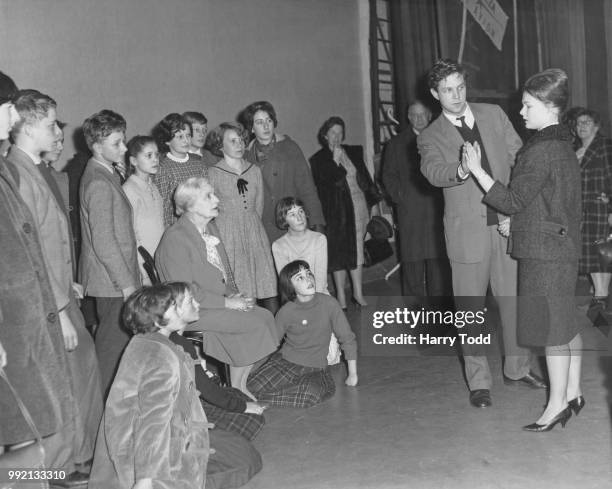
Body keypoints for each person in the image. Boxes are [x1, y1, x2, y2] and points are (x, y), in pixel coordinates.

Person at [419, 59, 545, 409]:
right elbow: (433, 171)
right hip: (467, 236)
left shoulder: (493, 114)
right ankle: (478, 382)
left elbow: (521, 158)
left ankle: (517, 369)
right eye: (447, 90)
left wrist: (515, 208)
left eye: (460, 86)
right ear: (435, 94)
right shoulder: (431, 136)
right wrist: (461, 168)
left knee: (513, 304)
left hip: (506, 226)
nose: (457, 95)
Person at [463, 68, 584, 431]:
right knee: (566, 325)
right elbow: (552, 202)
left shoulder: (540, 150)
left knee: (551, 333)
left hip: (544, 255)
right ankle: (575, 392)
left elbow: (514, 199)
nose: (522, 112)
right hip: (560, 246)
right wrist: (519, 224)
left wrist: (477, 170)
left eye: (529, 105)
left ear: (549, 107)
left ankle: (557, 405)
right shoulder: (564, 144)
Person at [7, 90, 103, 482]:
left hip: (62, 295)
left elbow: (52, 239)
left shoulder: (35, 169)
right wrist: (60, 310)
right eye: (50, 124)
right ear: (28, 127)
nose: (57, 131)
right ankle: (57, 468)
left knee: (80, 376)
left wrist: (69, 284)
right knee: (60, 383)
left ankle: (77, 458)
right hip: (47, 307)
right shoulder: (14, 173)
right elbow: (29, 253)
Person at [0, 70, 72, 472]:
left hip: (25, 324)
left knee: (27, 434)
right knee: (16, 436)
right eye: (9, 108)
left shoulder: (4, 171)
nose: (13, 119)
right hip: (9, 330)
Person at [155, 177, 279, 400]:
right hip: (189, 311)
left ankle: (238, 384)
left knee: (266, 317)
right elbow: (184, 292)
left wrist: (233, 293)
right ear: (190, 205)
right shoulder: (176, 239)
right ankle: (237, 387)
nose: (217, 199)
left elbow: (220, 275)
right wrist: (228, 303)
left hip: (211, 303)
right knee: (255, 322)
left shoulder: (210, 228)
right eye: (209, 196)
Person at [89, 283, 209, 489]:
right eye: (189, 301)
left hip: (152, 450)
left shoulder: (146, 342)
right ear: (161, 317)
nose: (196, 303)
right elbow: (154, 420)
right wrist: (145, 478)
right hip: (161, 462)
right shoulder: (160, 356)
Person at [79, 109, 140, 398]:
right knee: (110, 355)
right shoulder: (99, 183)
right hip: (113, 284)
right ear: (96, 146)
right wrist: (127, 285)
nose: (124, 148)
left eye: (123, 141)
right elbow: (104, 242)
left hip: (113, 281)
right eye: (117, 143)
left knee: (116, 352)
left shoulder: (105, 174)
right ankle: (104, 419)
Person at [247, 260, 358, 407]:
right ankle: (252, 398)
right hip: (285, 363)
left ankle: (258, 401)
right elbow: (269, 345)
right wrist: (249, 373)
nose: (308, 279)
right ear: (290, 286)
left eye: (309, 274)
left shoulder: (329, 303)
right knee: (248, 387)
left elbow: (347, 338)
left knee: (310, 394)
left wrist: (352, 374)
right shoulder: (286, 311)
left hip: (315, 369)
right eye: (300, 277)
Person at [310, 116, 381, 309]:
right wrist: (334, 162)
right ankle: (341, 295)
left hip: (358, 209)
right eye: (332, 132)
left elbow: (365, 179)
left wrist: (374, 204)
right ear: (325, 135)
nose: (336, 136)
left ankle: (357, 293)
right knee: (339, 253)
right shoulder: (318, 160)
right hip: (336, 213)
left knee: (358, 250)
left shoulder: (353, 152)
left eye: (340, 132)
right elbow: (325, 188)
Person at [382, 101, 450, 298]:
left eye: (423, 115)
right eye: (414, 115)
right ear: (409, 117)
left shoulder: (441, 139)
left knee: (437, 258)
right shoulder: (396, 143)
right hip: (409, 210)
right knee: (412, 259)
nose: (419, 119)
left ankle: (439, 306)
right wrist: (400, 197)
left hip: (437, 208)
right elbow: (388, 175)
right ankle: (415, 307)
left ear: (429, 116)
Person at [207, 122, 278, 311]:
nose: (239, 145)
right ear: (220, 146)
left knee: (264, 282)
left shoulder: (254, 170)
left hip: (254, 232)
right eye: (232, 141)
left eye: (240, 140)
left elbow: (259, 206)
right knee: (240, 287)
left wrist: (251, 225)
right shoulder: (213, 173)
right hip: (228, 235)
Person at [241, 100, 325, 242]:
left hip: (291, 223)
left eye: (269, 120)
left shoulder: (290, 148)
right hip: (262, 229)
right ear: (252, 128)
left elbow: (307, 188)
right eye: (259, 122)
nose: (266, 126)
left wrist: (317, 224)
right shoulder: (246, 157)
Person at [272, 197, 341, 365]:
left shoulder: (319, 239)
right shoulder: (279, 245)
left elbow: (320, 277)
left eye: (301, 211)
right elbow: (286, 282)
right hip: (295, 301)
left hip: (319, 297)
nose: (299, 217)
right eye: (292, 214)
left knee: (330, 358)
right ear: (284, 220)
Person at [573, 108, 612, 306]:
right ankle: (601, 304)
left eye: (586, 122)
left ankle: (600, 304)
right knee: (592, 259)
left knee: (600, 258)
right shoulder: (575, 150)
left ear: (597, 126)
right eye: (579, 123)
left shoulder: (605, 146)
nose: (582, 126)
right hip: (582, 213)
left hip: (600, 211)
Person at [123, 135, 165, 286]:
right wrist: (143, 270)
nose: (155, 159)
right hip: (145, 266)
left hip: (159, 259)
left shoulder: (153, 186)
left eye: (156, 155)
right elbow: (131, 234)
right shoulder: (129, 190)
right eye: (148, 156)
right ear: (133, 161)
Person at [153, 113, 206, 227]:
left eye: (188, 135)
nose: (186, 140)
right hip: (178, 227)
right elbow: (163, 208)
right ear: (167, 141)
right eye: (180, 137)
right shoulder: (163, 168)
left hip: (202, 224)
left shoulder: (199, 165)